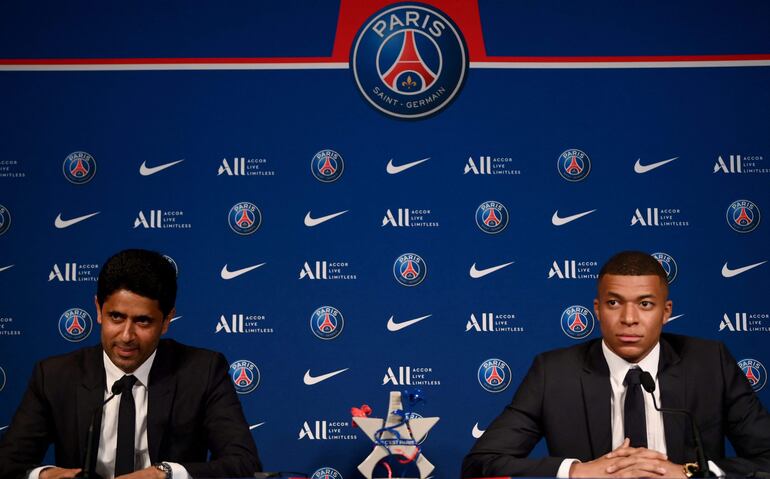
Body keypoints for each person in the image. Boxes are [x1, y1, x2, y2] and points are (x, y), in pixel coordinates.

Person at [462, 251, 770, 478]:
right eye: (614, 303)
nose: (629, 319)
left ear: (666, 312)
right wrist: (577, 471)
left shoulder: (709, 363)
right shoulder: (554, 373)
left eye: (645, 304)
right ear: (597, 309)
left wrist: (690, 473)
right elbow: (480, 463)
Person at [0, 249, 262, 479]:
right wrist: (45, 475)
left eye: (143, 321)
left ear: (167, 320)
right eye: (116, 317)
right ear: (98, 309)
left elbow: (244, 464)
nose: (126, 336)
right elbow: (7, 464)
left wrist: (167, 474)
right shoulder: (55, 376)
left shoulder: (203, 371)